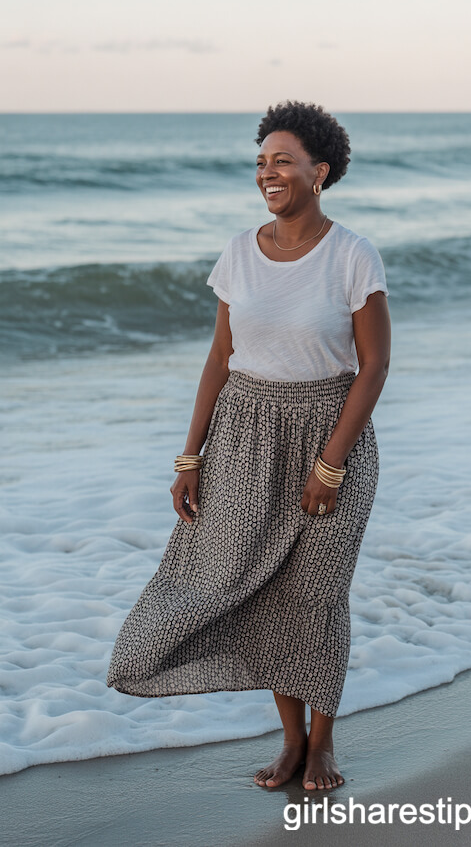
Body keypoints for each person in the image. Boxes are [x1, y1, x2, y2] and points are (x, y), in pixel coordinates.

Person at [107, 100, 391, 791]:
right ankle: (290, 742)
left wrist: (331, 464)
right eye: (261, 162)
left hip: (331, 433)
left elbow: (375, 364)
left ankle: (322, 745)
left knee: (316, 596)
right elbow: (219, 358)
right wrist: (190, 455)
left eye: (283, 161)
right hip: (244, 436)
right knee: (253, 592)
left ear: (319, 173)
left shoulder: (352, 254)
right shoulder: (238, 251)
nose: (268, 172)